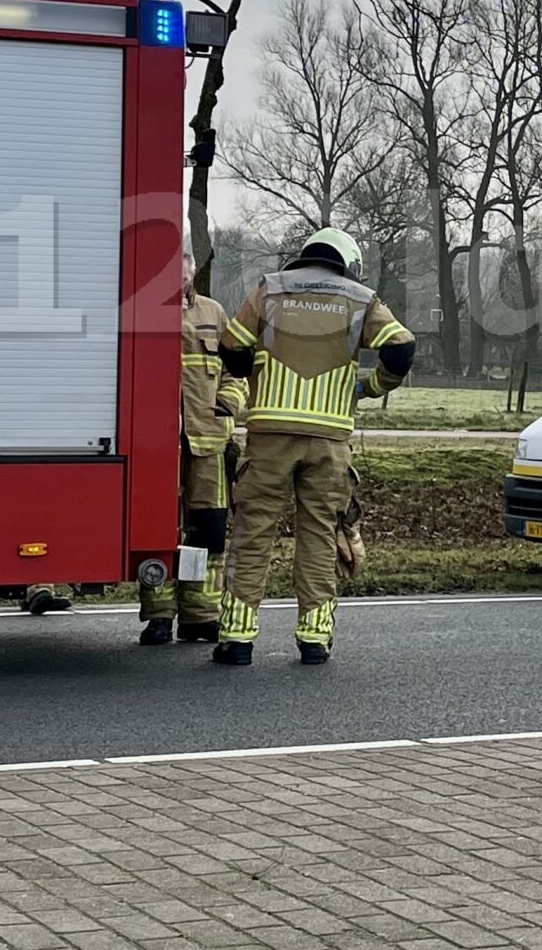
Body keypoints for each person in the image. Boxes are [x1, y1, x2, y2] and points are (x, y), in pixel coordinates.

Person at [212, 228, 414, 666]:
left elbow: (230, 345)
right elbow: (401, 348)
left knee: (254, 533)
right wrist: (371, 385)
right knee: (320, 533)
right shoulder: (361, 299)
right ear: (346, 261)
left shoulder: (270, 289)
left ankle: (237, 639)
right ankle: (314, 639)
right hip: (330, 439)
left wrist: (253, 376)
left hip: (269, 437)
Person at [140, 255, 248, 646]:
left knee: (208, 531)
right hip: (156, 448)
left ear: (191, 274)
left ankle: (200, 615)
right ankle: (158, 616)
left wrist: (228, 405)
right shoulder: (144, 312)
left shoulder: (214, 312)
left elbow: (237, 370)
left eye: (184, 271)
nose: (180, 278)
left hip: (208, 442)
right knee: (158, 530)